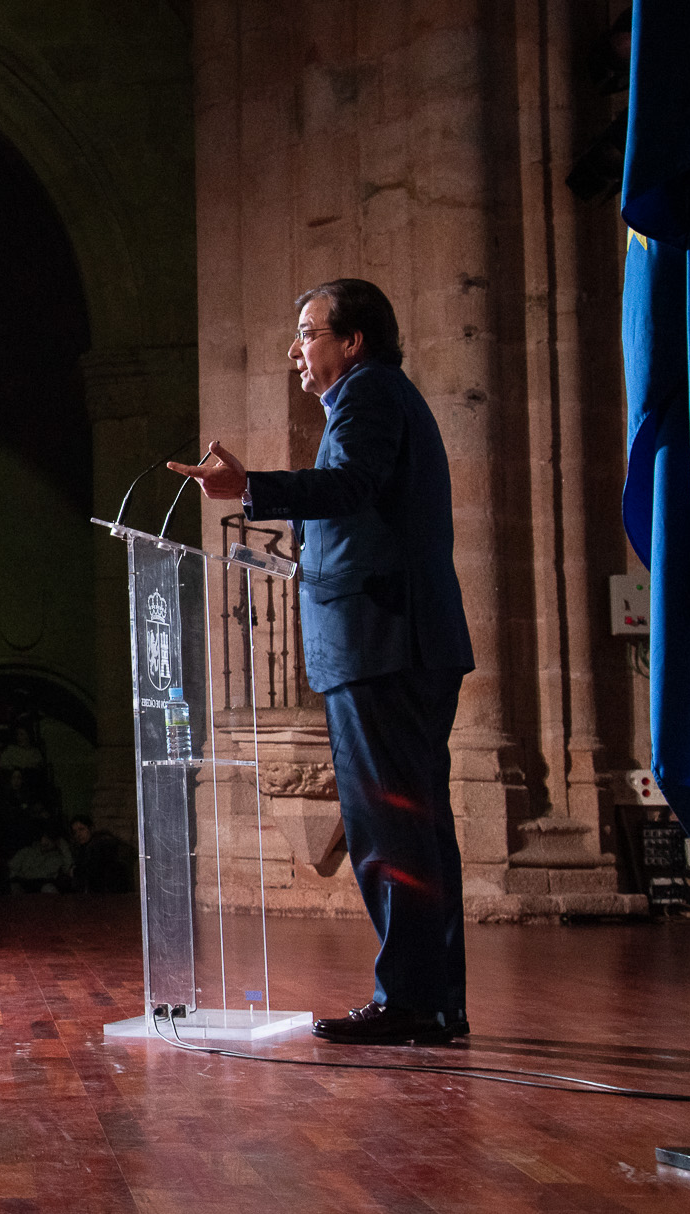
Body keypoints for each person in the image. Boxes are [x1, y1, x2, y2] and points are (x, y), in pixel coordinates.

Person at [171, 276, 474, 1046]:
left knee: (391, 828)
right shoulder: (375, 398)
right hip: (396, 641)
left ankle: (412, 1000)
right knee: (413, 825)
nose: (294, 350)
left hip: (383, 645)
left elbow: (349, 486)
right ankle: (431, 999)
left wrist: (250, 489)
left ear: (351, 342)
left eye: (307, 333)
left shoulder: (369, 394)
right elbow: (366, 509)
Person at [68, 815, 131, 894]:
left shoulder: (101, 845)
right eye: (75, 832)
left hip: (107, 893)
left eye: (81, 829)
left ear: (90, 829)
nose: (78, 834)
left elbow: (94, 871)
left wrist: (75, 872)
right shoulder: (82, 848)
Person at [7, 825, 75, 893]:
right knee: (13, 887)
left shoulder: (58, 857)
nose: (46, 841)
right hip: (23, 883)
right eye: (45, 837)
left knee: (49, 889)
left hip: (43, 884)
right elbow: (12, 867)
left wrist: (63, 846)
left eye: (50, 839)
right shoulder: (27, 851)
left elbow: (67, 867)